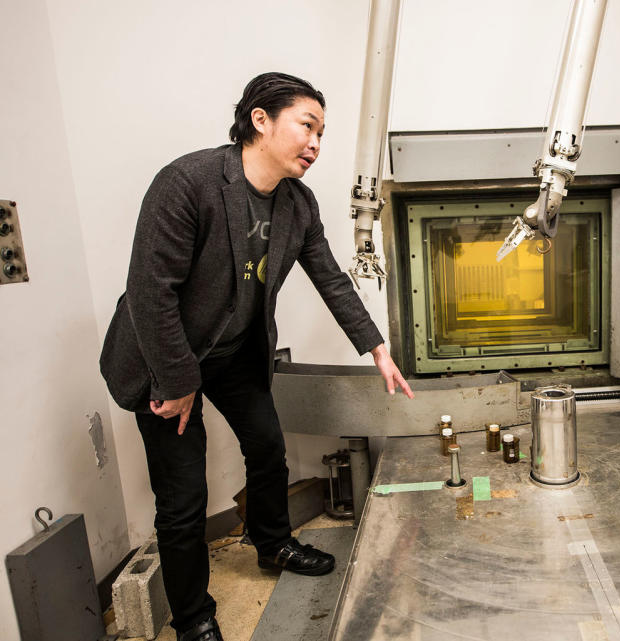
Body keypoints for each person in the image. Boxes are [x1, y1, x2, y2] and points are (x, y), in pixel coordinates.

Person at [100, 72, 414, 641]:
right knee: (183, 498)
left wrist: (377, 346)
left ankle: (273, 545)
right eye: (307, 125)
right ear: (260, 120)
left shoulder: (298, 203)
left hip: (233, 353)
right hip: (163, 358)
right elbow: (151, 293)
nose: (316, 142)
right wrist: (178, 380)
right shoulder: (188, 182)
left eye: (322, 131)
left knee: (268, 448)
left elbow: (330, 279)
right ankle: (194, 617)